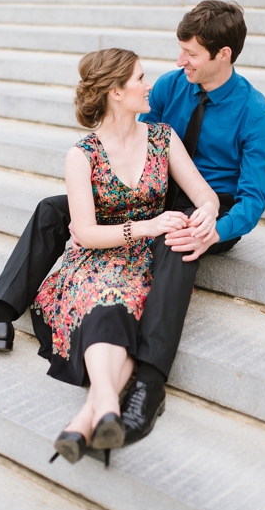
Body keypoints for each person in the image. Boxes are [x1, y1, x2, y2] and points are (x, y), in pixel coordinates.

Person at [0, 0, 265, 445]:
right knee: (55, 208)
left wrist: (215, 224)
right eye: (180, 49)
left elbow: (253, 199)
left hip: (216, 208)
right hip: (161, 190)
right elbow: (135, 141)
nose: (179, 60)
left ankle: (149, 380)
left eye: (190, 52)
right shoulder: (172, 86)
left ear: (223, 54)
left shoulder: (257, 114)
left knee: (180, 234)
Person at [30, 49, 218, 465]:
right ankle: (107, 409)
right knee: (107, 305)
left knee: (123, 312)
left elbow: (204, 193)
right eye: (140, 78)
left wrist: (206, 213)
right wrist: (147, 227)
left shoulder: (162, 138)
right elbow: (85, 232)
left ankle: (89, 417)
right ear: (115, 91)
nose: (149, 85)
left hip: (143, 265)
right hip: (93, 261)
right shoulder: (82, 154)